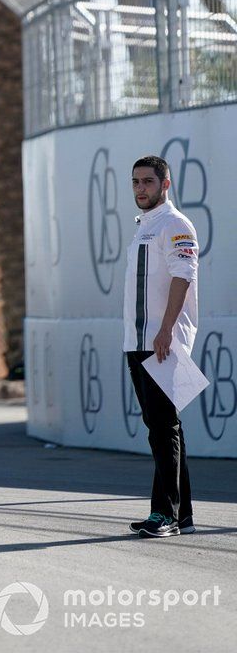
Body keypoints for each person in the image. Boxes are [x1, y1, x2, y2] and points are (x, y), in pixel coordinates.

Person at [123, 156, 198, 539]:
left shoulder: (175, 224)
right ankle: (180, 514)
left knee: (163, 427)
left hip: (162, 341)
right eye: (135, 181)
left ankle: (164, 514)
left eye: (148, 182)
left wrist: (167, 330)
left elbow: (184, 277)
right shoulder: (145, 226)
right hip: (137, 341)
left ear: (165, 185)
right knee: (162, 427)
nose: (140, 188)